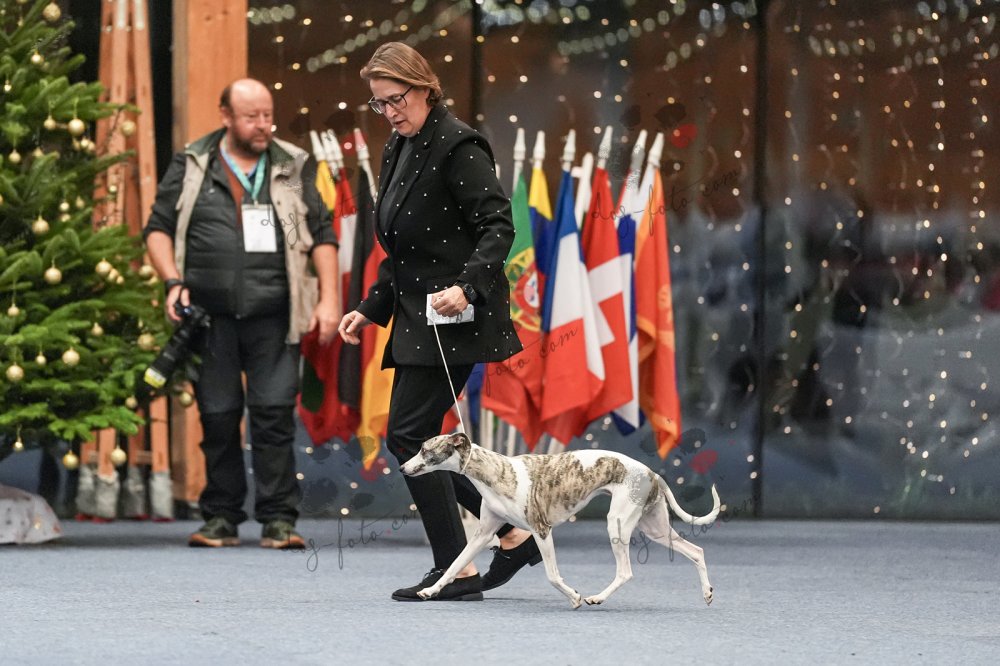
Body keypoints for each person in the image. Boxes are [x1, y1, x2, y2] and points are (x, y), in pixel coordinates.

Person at [339, 42, 540, 601]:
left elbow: (498, 227)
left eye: (396, 99)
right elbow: (402, 249)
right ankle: (510, 535)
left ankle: (462, 565)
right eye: (379, 103)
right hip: (414, 316)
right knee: (417, 437)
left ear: (425, 88)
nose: (389, 112)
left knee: (408, 436)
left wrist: (466, 286)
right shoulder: (398, 146)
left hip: (458, 314)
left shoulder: (459, 144)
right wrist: (370, 307)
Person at [145, 78, 340, 549]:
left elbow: (319, 232)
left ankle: (278, 520)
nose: (263, 125)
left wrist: (330, 299)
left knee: (274, 416)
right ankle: (220, 517)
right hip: (208, 316)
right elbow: (158, 228)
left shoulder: (290, 164)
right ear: (226, 116)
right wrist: (172, 281)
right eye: (252, 117)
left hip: (276, 314)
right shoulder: (194, 162)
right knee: (218, 416)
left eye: (268, 115)